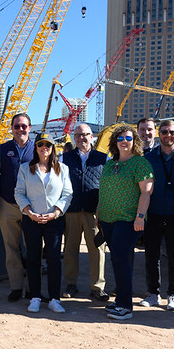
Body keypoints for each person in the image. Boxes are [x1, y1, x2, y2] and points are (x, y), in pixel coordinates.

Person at [97, 125, 154, 320]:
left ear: (134, 141)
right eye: (120, 138)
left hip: (128, 220)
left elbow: (146, 192)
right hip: (107, 219)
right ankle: (121, 299)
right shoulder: (109, 164)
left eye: (128, 138)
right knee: (118, 259)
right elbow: (103, 190)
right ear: (114, 142)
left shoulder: (140, 163)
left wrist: (140, 217)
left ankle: (125, 306)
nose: (124, 142)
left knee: (121, 258)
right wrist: (98, 213)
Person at [15, 133, 72, 313]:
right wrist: (29, 212)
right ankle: (35, 297)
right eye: (40, 144)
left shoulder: (62, 169)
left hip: (53, 220)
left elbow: (67, 193)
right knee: (33, 258)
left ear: (53, 147)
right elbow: (19, 192)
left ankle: (54, 298)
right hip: (31, 219)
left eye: (48, 144)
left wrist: (56, 212)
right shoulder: (25, 168)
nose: (44, 147)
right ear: (36, 147)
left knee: (54, 259)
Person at [140, 119, 174, 312]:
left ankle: (173, 295)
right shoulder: (148, 158)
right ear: (159, 134)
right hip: (153, 213)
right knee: (151, 256)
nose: (168, 135)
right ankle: (153, 293)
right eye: (164, 132)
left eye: (172, 132)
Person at [61, 123, 109, 302]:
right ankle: (70, 284)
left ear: (92, 137)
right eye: (78, 135)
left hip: (93, 212)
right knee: (70, 250)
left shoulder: (103, 158)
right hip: (71, 211)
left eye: (86, 134)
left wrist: (102, 208)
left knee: (97, 250)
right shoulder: (65, 158)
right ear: (74, 138)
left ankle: (98, 287)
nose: (82, 138)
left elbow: (107, 185)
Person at [0, 113, 35, 302]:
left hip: (31, 206)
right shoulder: (3, 149)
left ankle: (32, 288)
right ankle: (16, 287)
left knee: (32, 248)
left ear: (30, 128)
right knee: (11, 248)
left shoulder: (38, 148)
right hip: (8, 204)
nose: (20, 129)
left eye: (24, 126)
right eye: (17, 126)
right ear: (11, 128)